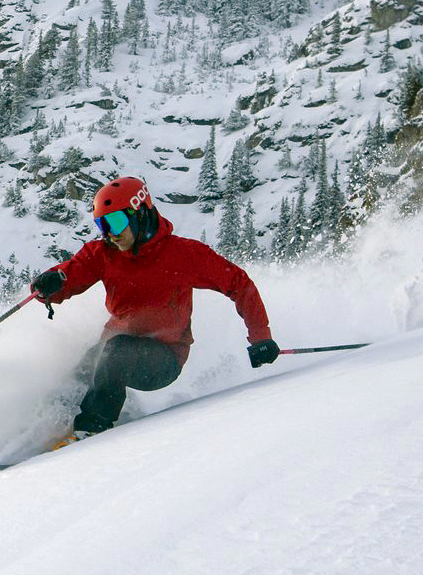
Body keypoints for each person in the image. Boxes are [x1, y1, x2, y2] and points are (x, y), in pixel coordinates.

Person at [29, 176, 278, 439]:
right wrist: (49, 285)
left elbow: (239, 284)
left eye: (115, 222)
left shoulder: (183, 254)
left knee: (115, 352)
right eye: (102, 225)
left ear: (140, 213)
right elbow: (70, 276)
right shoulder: (103, 254)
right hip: (115, 348)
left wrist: (261, 337)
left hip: (164, 359)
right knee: (82, 368)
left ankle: (90, 430)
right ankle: (44, 429)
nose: (110, 234)